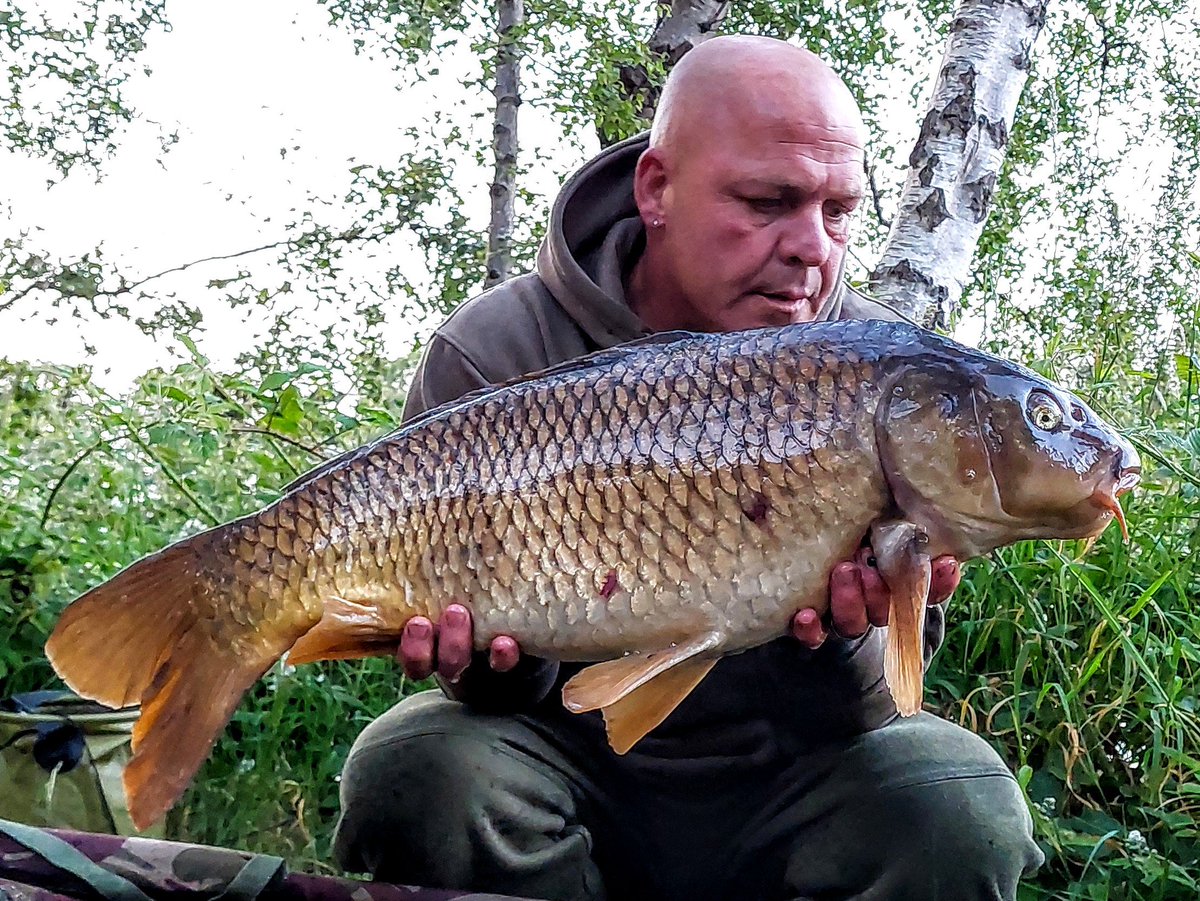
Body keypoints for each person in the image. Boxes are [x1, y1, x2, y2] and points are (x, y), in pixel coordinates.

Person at [332, 35, 1044, 901]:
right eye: (769, 201)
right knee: (415, 765)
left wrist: (843, 637)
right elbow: (483, 690)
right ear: (657, 189)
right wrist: (489, 657)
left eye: (838, 210)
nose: (812, 248)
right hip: (568, 762)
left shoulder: (886, 382)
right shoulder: (501, 349)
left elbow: (867, 711)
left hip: (788, 774)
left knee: (957, 801)